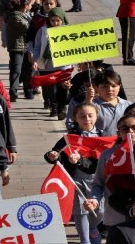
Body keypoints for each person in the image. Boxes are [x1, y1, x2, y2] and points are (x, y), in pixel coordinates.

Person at [44, 103, 101, 244]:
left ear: (96, 116)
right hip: (75, 179)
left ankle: (93, 226)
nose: (86, 119)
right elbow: (55, 152)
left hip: (97, 179)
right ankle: (85, 240)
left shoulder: (102, 135)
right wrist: (52, 155)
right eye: (82, 116)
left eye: (90, 115)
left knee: (100, 211)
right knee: (79, 211)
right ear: (75, 118)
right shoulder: (69, 137)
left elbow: (105, 158)